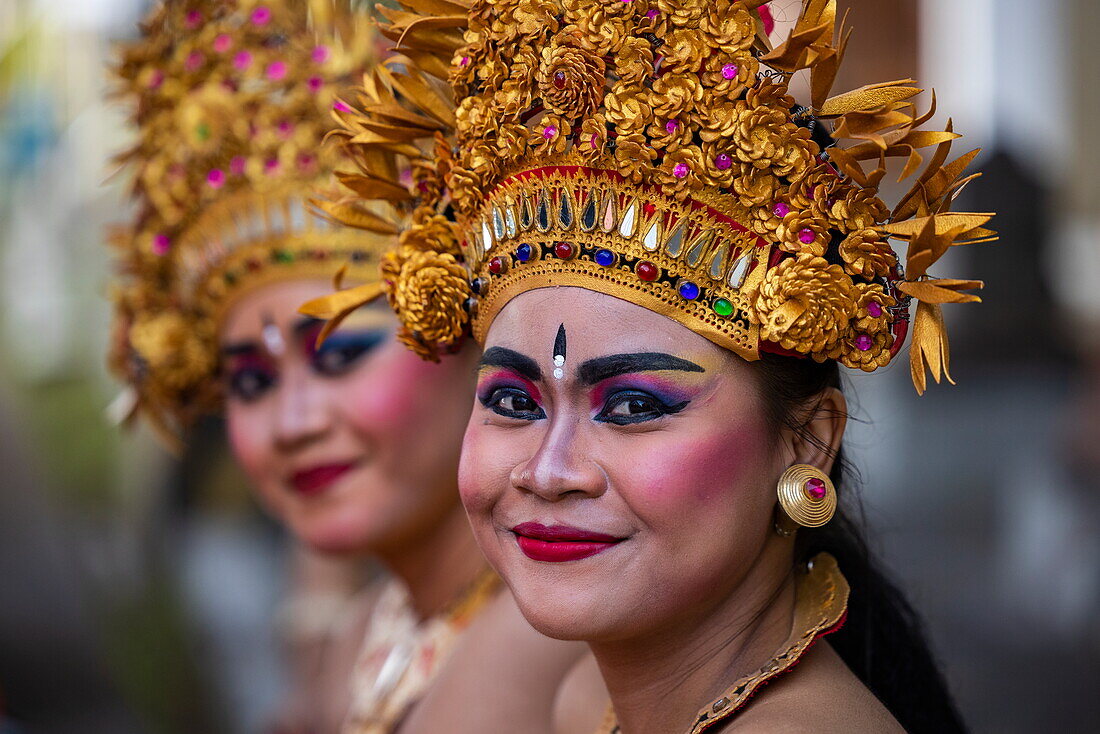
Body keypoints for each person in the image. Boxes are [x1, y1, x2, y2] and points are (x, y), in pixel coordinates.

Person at [310, 0, 995, 731]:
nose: (548, 470)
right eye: (513, 400)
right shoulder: (584, 703)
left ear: (806, 440)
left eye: (632, 406)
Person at [106, 2, 591, 732]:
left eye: (339, 354)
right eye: (249, 381)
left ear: (464, 334)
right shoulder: (373, 628)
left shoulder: (544, 645)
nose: (293, 422)